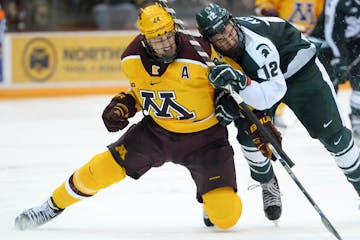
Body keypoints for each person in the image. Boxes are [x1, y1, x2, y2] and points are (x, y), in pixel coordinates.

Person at [14, 3, 243, 230]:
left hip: (205, 139)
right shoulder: (132, 59)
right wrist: (123, 105)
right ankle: (51, 205)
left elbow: (238, 84)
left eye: (167, 35)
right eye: (156, 39)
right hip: (157, 133)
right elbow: (141, 92)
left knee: (226, 217)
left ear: (174, 28)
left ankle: (210, 193)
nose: (165, 44)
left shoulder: (202, 53)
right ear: (144, 39)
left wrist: (228, 99)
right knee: (98, 170)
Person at [195, 2, 360, 209]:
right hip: (258, 81)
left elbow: (272, 93)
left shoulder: (258, 45)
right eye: (220, 38)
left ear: (232, 22)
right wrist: (224, 99)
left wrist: (241, 84)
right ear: (209, 39)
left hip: (300, 73)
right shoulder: (207, 52)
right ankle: (267, 183)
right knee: (250, 137)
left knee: (335, 138)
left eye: (228, 31)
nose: (229, 40)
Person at [254, 0, 325, 128]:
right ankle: (274, 111)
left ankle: (315, 112)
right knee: (281, 76)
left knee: (307, 76)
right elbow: (263, 4)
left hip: (309, 38)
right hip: (285, 36)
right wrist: (266, 9)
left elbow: (323, 14)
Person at [322, 0, 360, 141]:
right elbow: (333, 30)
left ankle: (357, 123)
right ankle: (325, 124)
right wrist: (340, 59)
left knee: (358, 84)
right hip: (330, 45)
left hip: (355, 44)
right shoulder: (337, 2)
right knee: (330, 86)